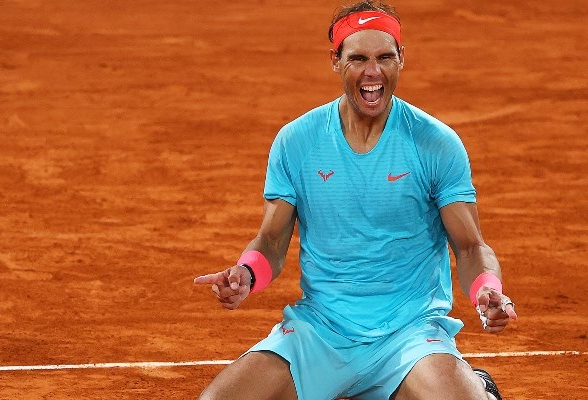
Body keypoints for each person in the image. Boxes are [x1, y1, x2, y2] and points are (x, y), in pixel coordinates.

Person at [193, 1, 517, 399]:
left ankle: (477, 387)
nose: (372, 72)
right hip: (321, 332)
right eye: (358, 58)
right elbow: (272, 241)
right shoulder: (297, 142)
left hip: (410, 337)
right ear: (336, 61)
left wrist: (486, 287)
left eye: (384, 57)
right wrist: (247, 273)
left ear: (402, 58)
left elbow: (470, 247)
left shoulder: (436, 144)